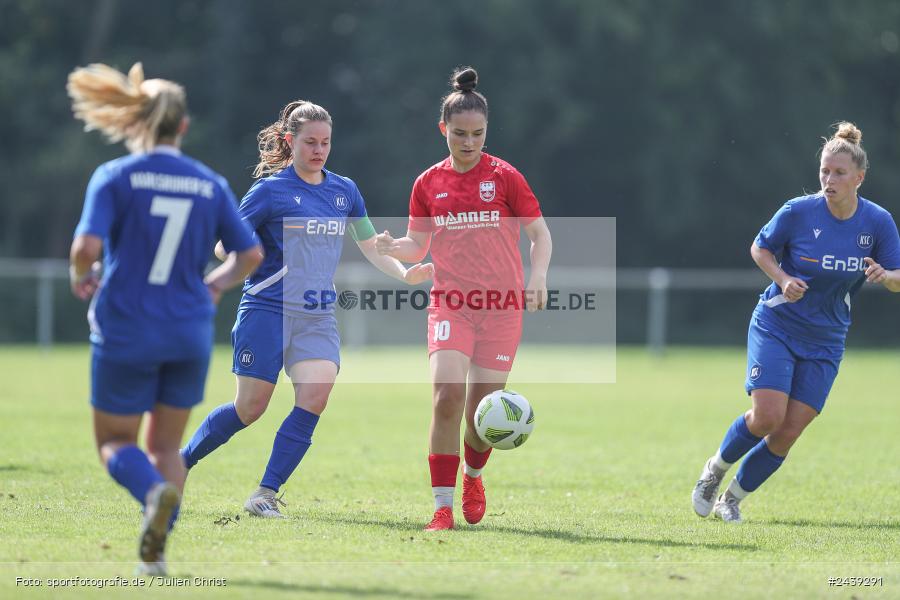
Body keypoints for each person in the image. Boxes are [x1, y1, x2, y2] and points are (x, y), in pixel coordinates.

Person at [179, 99, 433, 518]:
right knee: (250, 408)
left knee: (316, 394)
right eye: (310, 142)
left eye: (325, 142)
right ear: (289, 141)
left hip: (316, 315)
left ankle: (264, 494)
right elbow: (223, 244)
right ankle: (180, 462)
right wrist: (246, 249)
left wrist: (404, 274)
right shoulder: (270, 191)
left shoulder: (344, 191)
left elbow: (370, 245)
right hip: (266, 309)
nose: (318, 150)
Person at [67, 63, 262, 574]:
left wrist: (80, 274)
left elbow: (86, 246)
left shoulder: (115, 176)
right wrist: (215, 285)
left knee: (115, 443)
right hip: (188, 330)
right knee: (167, 446)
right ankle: (157, 556)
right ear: (183, 127)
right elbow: (250, 255)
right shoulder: (209, 182)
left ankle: (153, 495)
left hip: (127, 326)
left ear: (134, 123)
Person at [691, 122, 900, 523]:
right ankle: (713, 472)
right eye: (824, 170)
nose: (829, 179)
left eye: (839, 173)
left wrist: (885, 277)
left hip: (827, 338)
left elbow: (895, 278)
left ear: (859, 177)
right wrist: (783, 279)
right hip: (778, 326)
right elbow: (760, 247)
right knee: (768, 416)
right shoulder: (798, 211)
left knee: (789, 429)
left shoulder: (877, 222)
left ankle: (731, 498)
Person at [375, 67, 553, 531]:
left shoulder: (506, 177)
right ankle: (441, 507)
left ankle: (474, 475)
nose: (468, 142)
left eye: (477, 134)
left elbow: (539, 234)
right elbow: (418, 244)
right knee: (446, 397)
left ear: (486, 131)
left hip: (501, 310)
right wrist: (398, 250)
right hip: (450, 302)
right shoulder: (427, 184)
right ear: (443, 130)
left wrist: (538, 279)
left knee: (481, 414)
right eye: (459, 134)